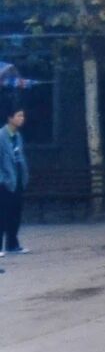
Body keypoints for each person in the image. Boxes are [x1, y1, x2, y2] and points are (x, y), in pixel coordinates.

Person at [0, 107, 31, 256]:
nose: (22, 119)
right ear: (10, 118)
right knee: (2, 214)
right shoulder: (1, 136)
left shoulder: (18, 136)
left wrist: (24, 177)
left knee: (15, 213)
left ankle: (12, 244)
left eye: (22, 116)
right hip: (5, 182)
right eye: (19, 116)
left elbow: (20, 157)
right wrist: (3, 179)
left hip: (17, 179)